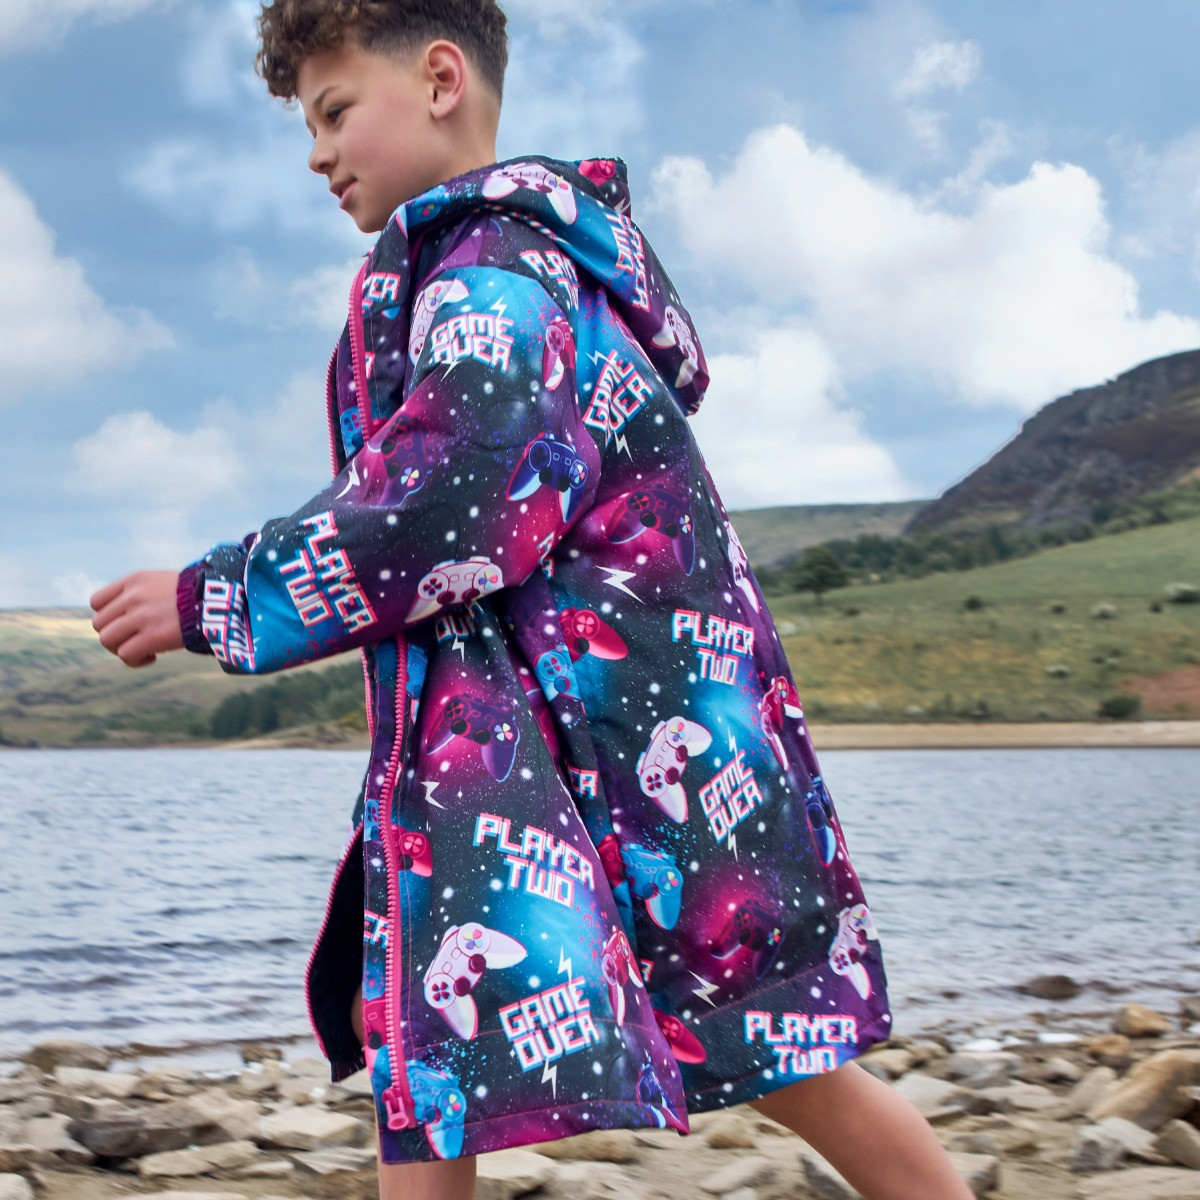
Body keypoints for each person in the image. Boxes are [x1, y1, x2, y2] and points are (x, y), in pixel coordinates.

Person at [90, 3, 973, 1198]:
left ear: (440, 78)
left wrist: (213, 599)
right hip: (588, 735)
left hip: (586, 746)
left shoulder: (492, 275)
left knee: (678, 1050)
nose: (318, 152)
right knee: (477, 1045)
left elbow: (445, 503)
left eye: (335, 112)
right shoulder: (512, 265)